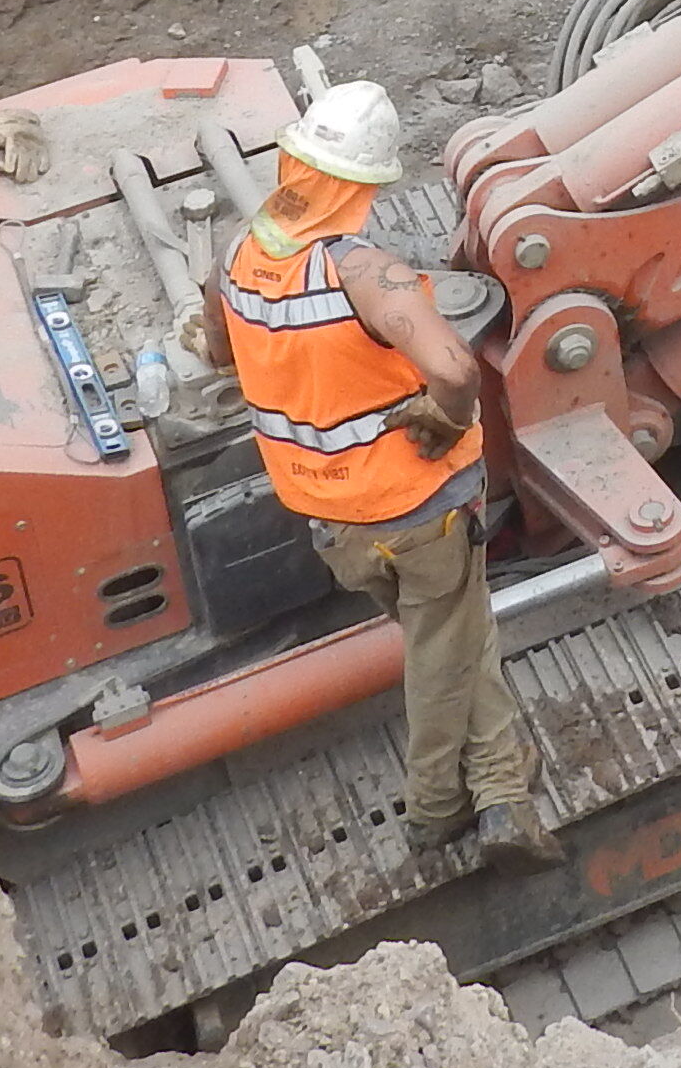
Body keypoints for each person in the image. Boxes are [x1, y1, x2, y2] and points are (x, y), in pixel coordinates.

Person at [194, 77, 556, 856]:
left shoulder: (236, 254)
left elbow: (220, 349)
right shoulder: (362, 273)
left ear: (294, 165)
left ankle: (504, 796)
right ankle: (436, 807)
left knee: (454, 639)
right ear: (364, 186)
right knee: (444, 651)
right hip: (420, 510)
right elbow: (455, 369)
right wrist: (448, 415)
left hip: (332, 522)